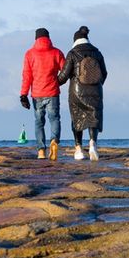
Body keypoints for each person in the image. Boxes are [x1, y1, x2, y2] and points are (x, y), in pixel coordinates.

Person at [58, 26, 107, 161]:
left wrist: (53, 82)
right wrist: (97, 85)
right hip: (96, 91)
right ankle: (93, 144)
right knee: (93, 117)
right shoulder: (97, 53)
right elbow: (104, 73)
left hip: (77, 92)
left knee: (77, 117)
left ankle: (78, 149)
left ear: (75, 40)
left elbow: (64, 76)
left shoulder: (73, 53)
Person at [20, 28, 65, 160]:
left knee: (39, 122)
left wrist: (23, 94)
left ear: (36, 39)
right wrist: (57, 82)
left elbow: (27, 76)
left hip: (37, 94)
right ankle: (54, 141)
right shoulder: (56, 52)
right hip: (52, 93)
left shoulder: (30, 54)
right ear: (48, 38)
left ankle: (41, 151)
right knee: (54, 119)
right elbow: (65, 71)